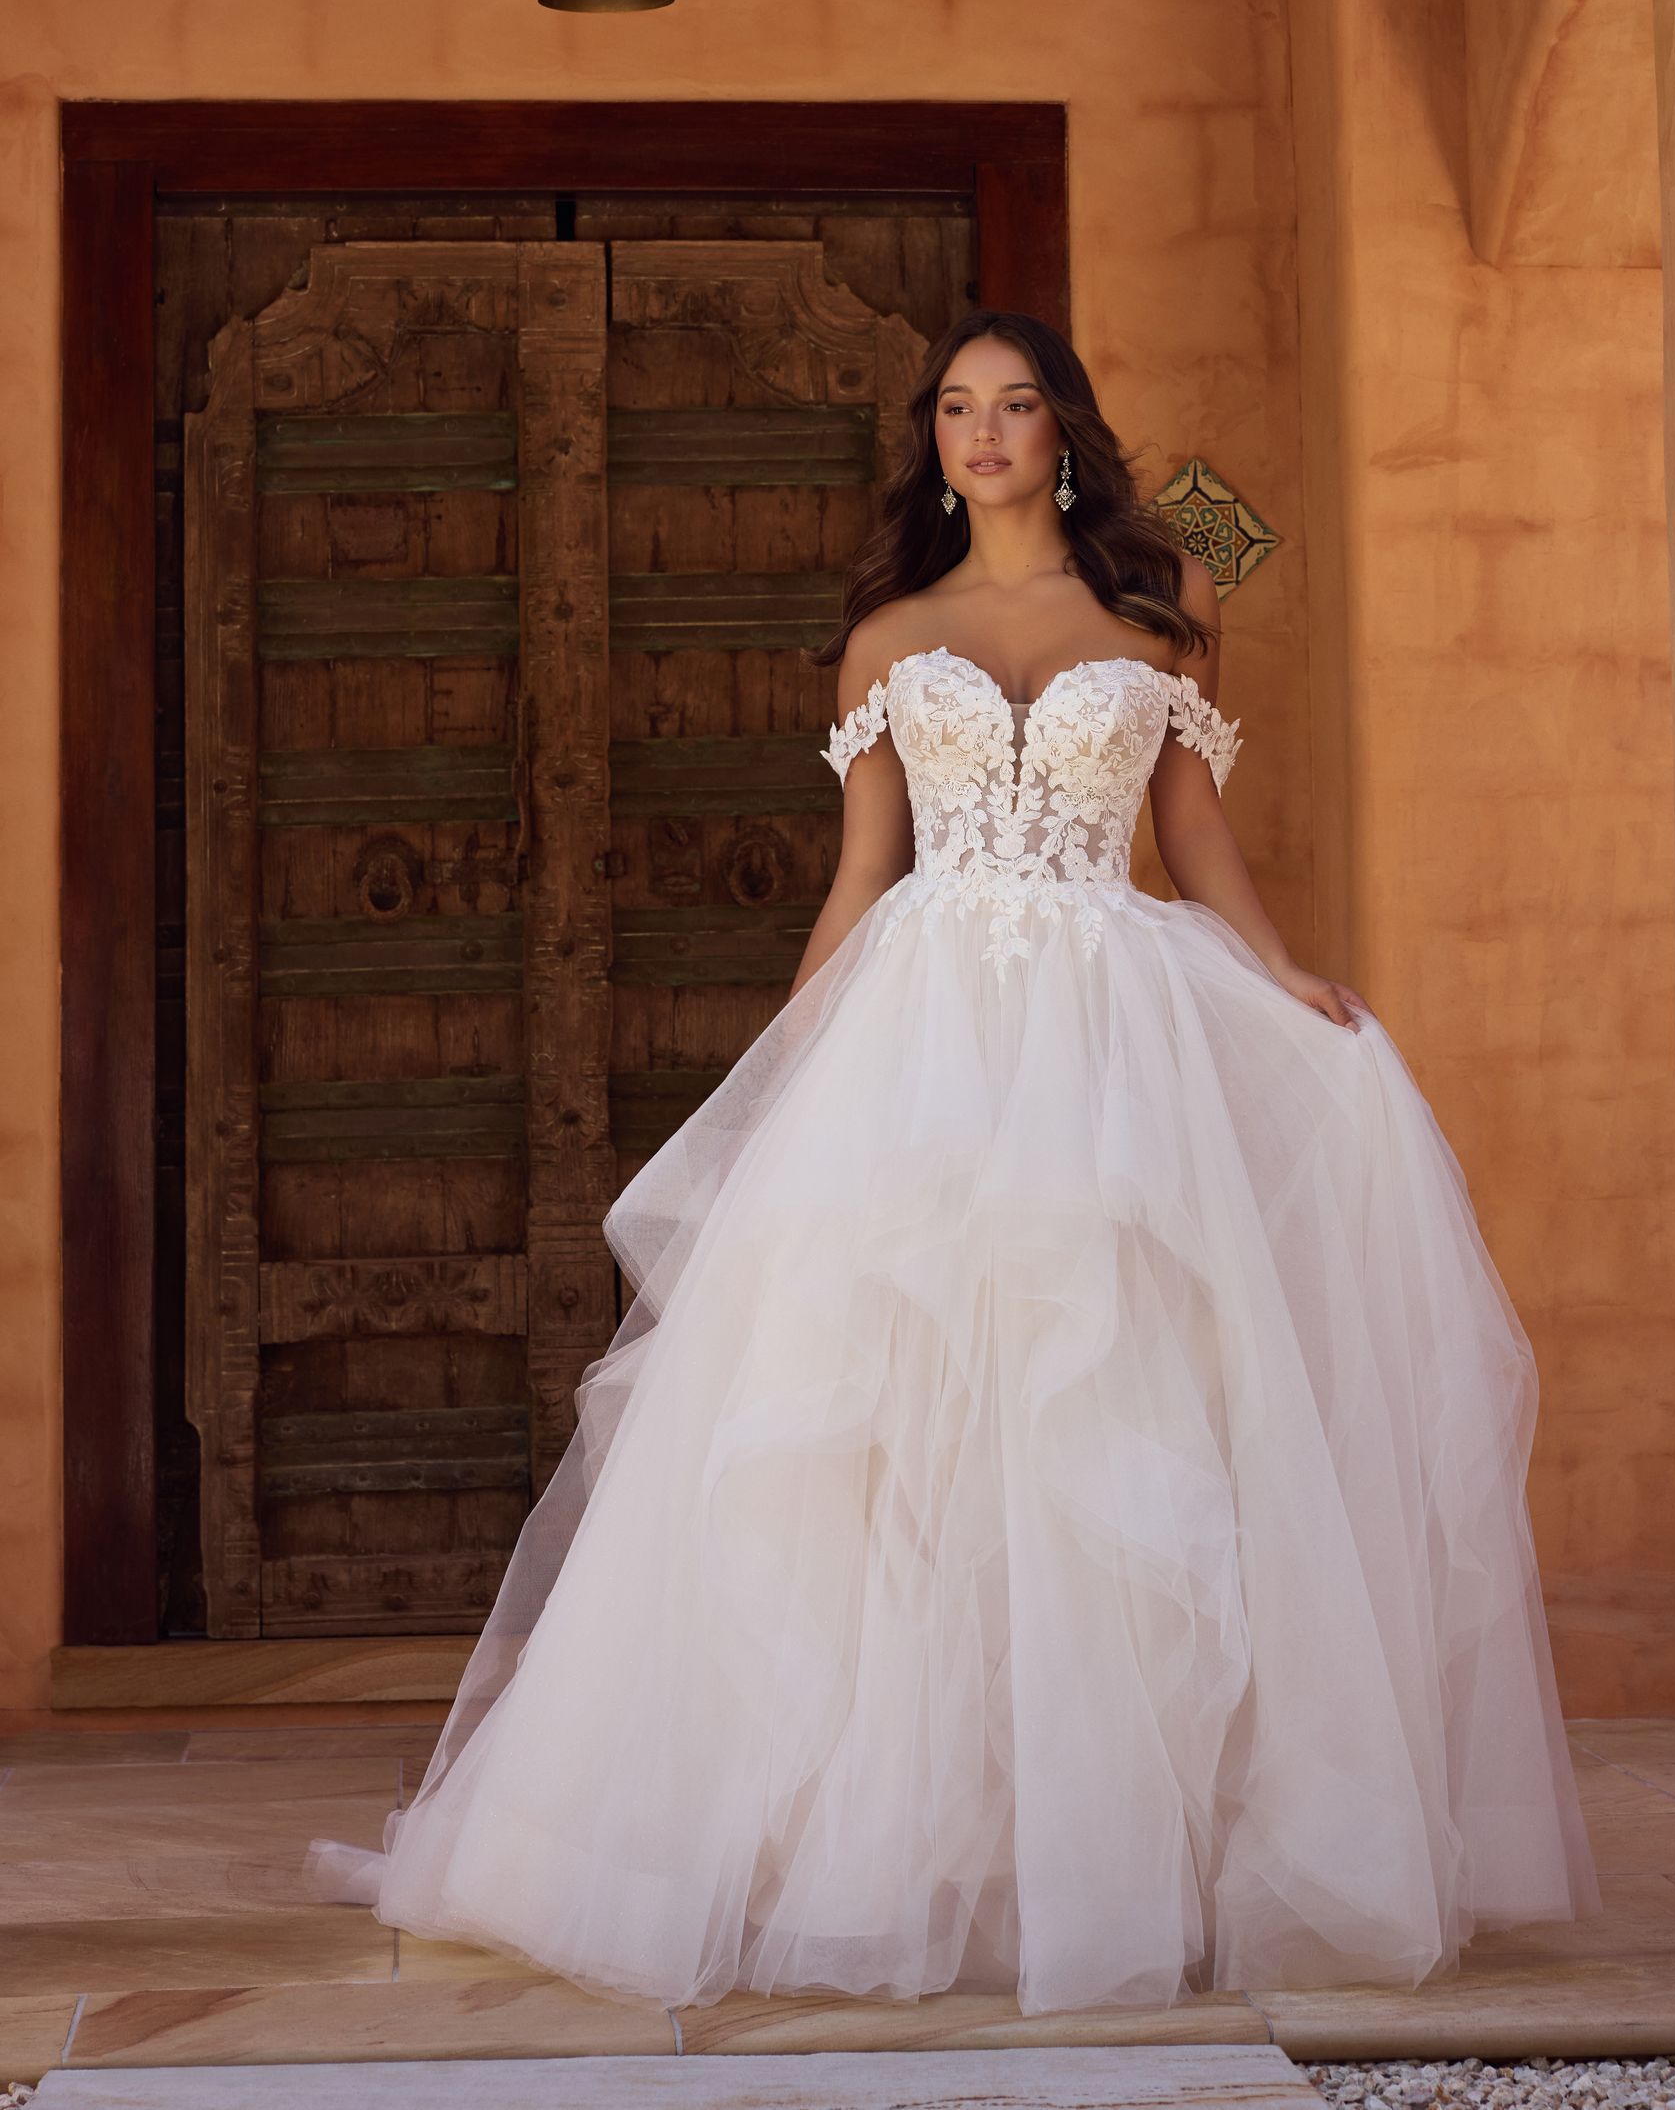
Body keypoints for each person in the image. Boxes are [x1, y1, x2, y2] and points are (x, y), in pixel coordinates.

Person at [314, 310, 1599, 2013]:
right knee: (879, 1430)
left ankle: (1122, 1848)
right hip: (921, 1042)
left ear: (1066, 433)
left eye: (1013, 406)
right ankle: (884, 1850)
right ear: (935, 440)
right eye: (954, 409)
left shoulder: (1162, 611)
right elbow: (862, 876)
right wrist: (790, 1059)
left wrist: (1287, 974)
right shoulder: (886, 635)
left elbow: (1191, 831)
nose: (980, 432)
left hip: (1109, 1033)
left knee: (1113, 1419)